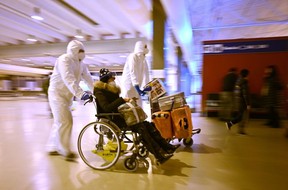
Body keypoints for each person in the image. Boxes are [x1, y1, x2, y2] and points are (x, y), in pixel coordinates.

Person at [94, 68, 179, 164]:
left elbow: (116, 104)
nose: (114, 79)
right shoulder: (99, 91)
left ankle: (167, 147)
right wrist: (122, 100)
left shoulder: (112, 90)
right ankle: (158, 155)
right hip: (111, 119)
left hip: (119, 116)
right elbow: (106, 108)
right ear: (106, 79)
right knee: (141, 127)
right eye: (111, 78)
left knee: (147, 124)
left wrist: (128, 100)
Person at [46, 40, 94, 161]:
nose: (83, 54)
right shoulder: (64, 59)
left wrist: (96, 91)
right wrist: (81, 94)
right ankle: (64, 150)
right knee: (66, 121)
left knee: (60, 121)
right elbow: (68, 78)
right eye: (80, 51)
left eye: (83, 51)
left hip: (67, 96)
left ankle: (52, 146)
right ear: (73, 50)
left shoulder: (81, 64)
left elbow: (88, 78)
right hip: (57, 94)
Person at [121, 41, 151, 108]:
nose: (146, 49)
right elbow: (133, 72)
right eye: (145, 47)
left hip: (137, 87)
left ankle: (139, 118)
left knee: (138, 106)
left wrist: (147, 85)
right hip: (129, 85)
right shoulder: (133, 56)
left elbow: (146, 74)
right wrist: (137, 88)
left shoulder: (143, 60)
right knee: (129, 107)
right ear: (141, 47)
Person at [225, 69, 250, 135]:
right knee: (242, 117)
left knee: (240, 116)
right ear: (246, 75)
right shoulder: (244, 82)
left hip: (238, 102)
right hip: (242, 102)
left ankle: (233, 125)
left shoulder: (238, 81)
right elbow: (245, 94)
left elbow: (236, 93)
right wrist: (248, 104)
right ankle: (236, 128)